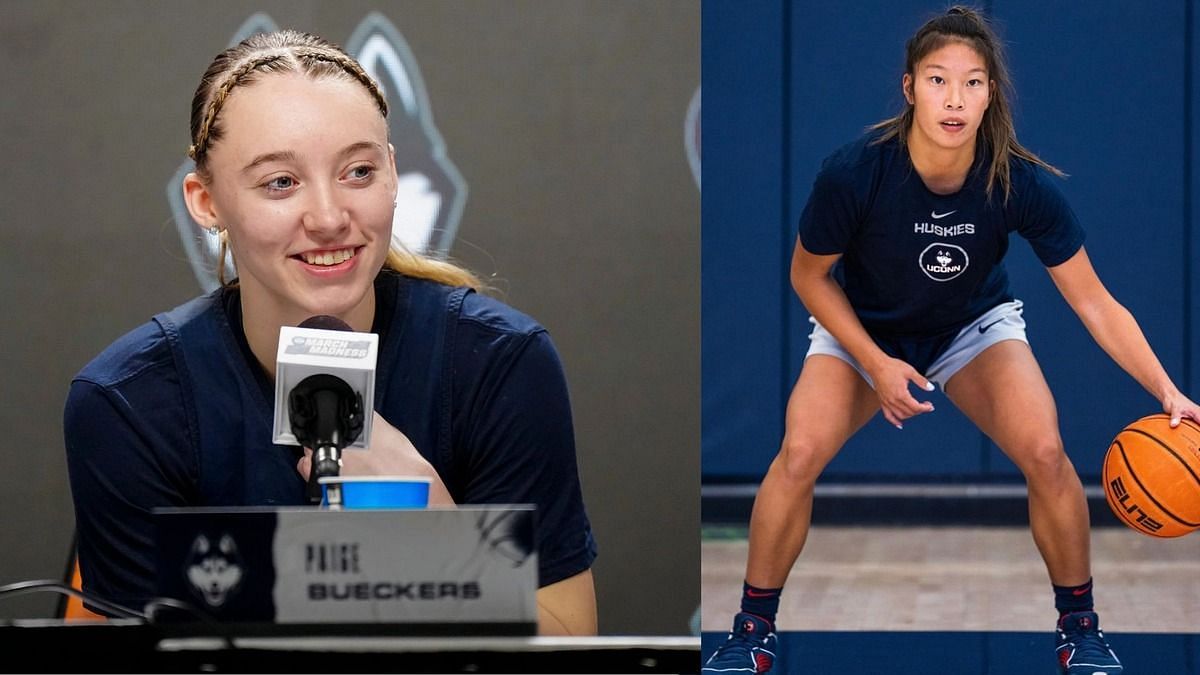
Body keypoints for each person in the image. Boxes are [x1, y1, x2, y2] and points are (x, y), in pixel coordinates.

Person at [703, 6, 1198, 674]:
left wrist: (1167, 389)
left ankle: (1079, 628)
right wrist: (876, 362)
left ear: (991, 93)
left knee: (1047, 451)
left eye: (971, 82)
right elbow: (808, 275)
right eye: (938, 80)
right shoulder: (854, 173)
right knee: (799, 451)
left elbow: (1095, 302)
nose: (955, 99)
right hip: (865, 329)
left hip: (970, 327)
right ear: (910, 88)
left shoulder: (1016, 182)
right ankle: (751, 630)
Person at [63, 30, 597, 635]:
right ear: (205, 202)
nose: (328, 217)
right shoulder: (128, 401)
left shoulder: (500, 364)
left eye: (358, 171)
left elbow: (570, 647)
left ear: (393, 174)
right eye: (280, 183)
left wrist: (440, 538)